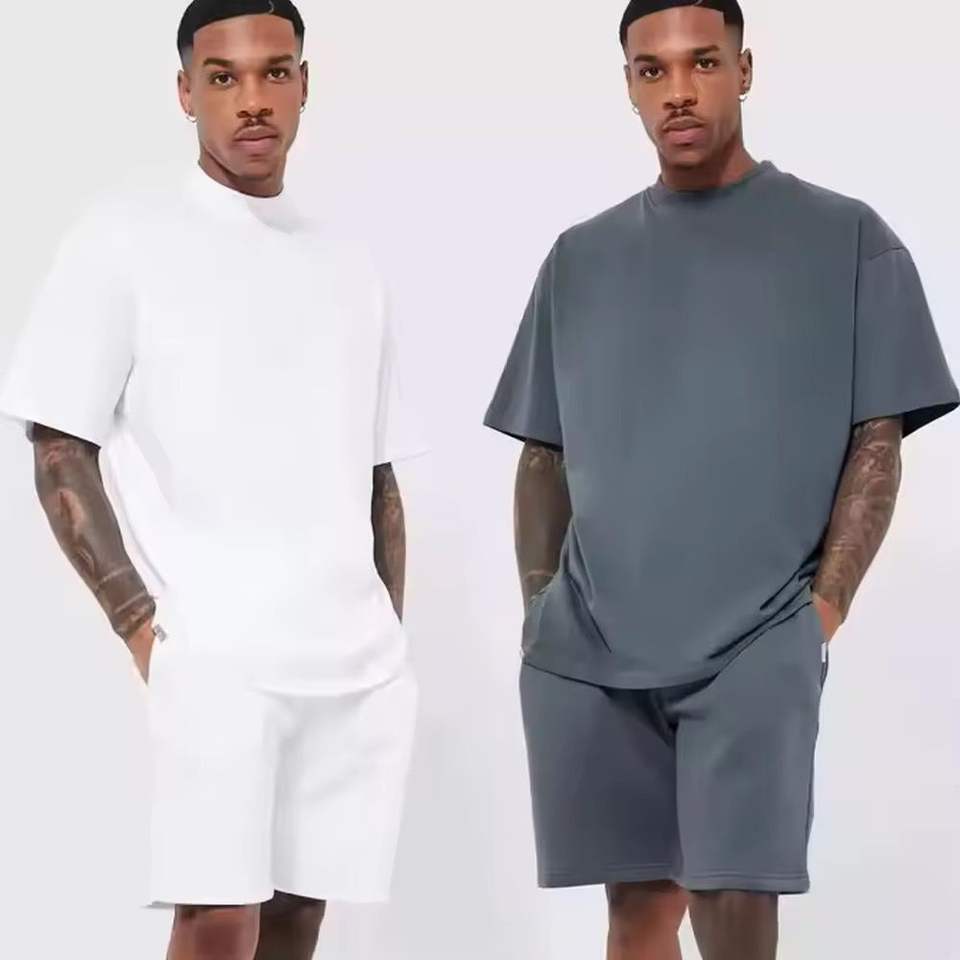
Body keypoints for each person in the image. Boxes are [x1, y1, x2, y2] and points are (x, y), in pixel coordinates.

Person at [483, 1, 959, 958]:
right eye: (652, 70)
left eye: (702, 62)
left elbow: (878, 438)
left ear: (744, 70)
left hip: (756, 638)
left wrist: (820, 612)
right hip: (594, 645)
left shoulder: (846, 238)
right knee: (636, 913)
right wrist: (542, 609)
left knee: (736, 908)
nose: (679, 90)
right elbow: (543, 452)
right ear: (628, 86)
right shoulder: (582, 257)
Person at [0, 1, 426, 958]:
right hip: (219, 652)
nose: (252, 100)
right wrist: (142, 629)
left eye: (275, 73)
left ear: (305, 85)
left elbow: (377, 471)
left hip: (354, 658)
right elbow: (59, 443)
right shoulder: (124, 237)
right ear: (185, 92)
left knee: (299, 916)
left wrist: (391, 635)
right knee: (218, 918)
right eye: (223, 78)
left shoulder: (348, 261)